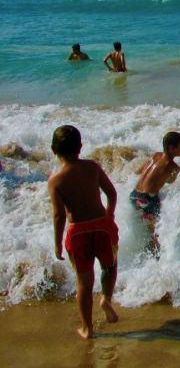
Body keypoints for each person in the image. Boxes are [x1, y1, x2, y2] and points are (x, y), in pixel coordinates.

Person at [47, 125, 119, 339]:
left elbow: (59, 215)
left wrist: (58, 243)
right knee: (110, 265)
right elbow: (112, 194)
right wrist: (110, 215)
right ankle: (106, 298)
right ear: (80, 147)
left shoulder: (56, 181)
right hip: (102, 227)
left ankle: (87, 328)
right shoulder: (93, 167)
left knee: (84, 283)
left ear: (53, 150)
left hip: (77, 233)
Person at [130, 132, 180, 252]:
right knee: (156, 231)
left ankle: (141, 251)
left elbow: (138, 171)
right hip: (147, 199)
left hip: (135, 195)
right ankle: (156, 258)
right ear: (172, 148)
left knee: (146, 228)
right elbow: (170, 181)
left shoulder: (155, 156)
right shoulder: (174, 167)